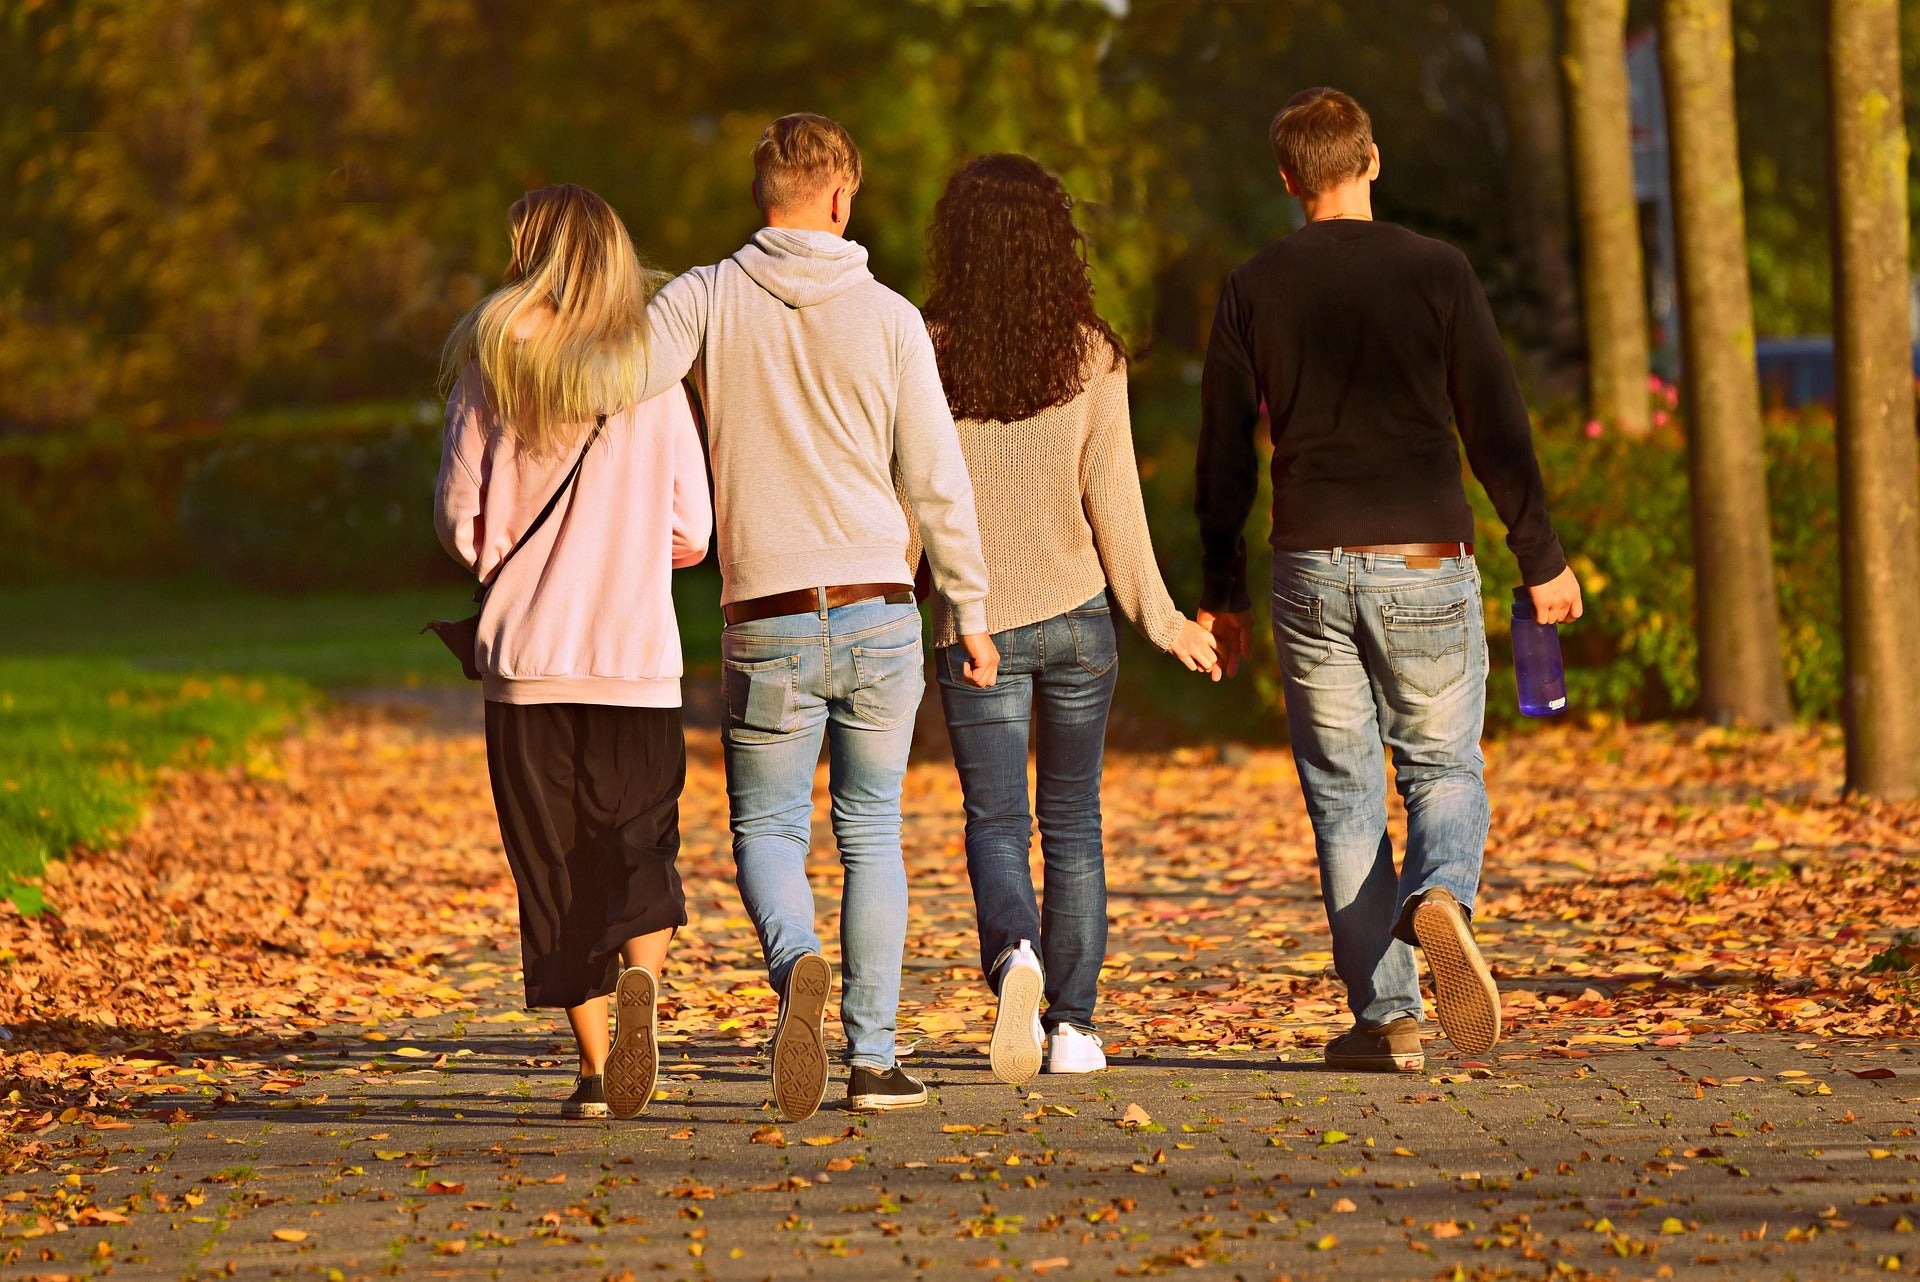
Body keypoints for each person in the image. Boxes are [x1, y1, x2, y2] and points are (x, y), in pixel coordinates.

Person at [1193, 89, 1584, 1072]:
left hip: (1311, 564)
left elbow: (1222, 457)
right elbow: (1494, 422)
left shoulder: (1252, 285)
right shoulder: (1437, 271)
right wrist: (1541, 555)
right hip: (1423, 558)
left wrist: (1222, 589)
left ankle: (1390, 1021)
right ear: (1373, 160)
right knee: (1443, 768)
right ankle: (1442, 893)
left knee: (1343, 795)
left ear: (1288, 182)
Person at [630, 114, 996, 1120]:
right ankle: (875, 1061)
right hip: (881, 606)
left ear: (764, 196)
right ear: (841, 197)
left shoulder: (701, 297)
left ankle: (797, 960)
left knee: (767, 827)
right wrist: (968, 606)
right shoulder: (887, 318)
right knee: (874, 829)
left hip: (768, 614)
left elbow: (618, 388)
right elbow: (936, 479)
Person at [915, 155, 1221, 1085]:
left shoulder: (923, 347)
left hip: (976, 624)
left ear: (956, 243)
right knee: (1075, 821)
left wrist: (888, 604)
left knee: (997, 820)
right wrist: (1166, 622)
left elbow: (910, 500)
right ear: (1058, 240)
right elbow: (1114, 507)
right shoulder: (1093, 353)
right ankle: (1075, 1028)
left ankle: (1015, 955)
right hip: (1082, 620)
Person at [434, 184, 712, 1118]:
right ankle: (644, 1000)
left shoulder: (491, 363)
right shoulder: (653, 368)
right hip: (637, 658)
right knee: (638, 845)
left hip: (527, 666)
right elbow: (693, 532)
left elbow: (460, 524)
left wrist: (511, 557)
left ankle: (597, 1073)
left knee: (552, 870)